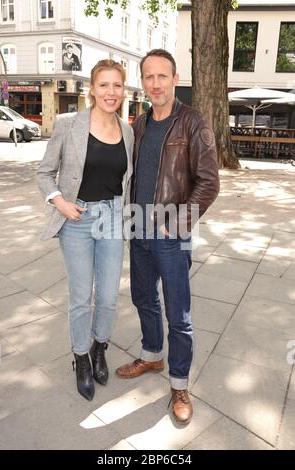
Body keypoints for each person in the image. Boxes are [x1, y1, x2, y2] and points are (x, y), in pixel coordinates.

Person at [116, 49, 220, 425]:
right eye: (149, 76)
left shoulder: (194, 122)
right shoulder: (140, 123)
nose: (155, 83)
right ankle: (151, 355)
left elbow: (209, 183)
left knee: (179, 313)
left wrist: (177, 224)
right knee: (143, 297)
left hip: (170, 234)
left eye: (163, 76)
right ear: (142, 81)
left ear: (175, 79)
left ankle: (179, 384)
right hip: (139, 228)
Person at [37, 60, 134, 401]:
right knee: (81, 297)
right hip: (76, 220)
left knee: (107, 297)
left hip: (111, 219)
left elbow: (126, 180)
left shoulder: (128, 130)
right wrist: (59, 202)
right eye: (104, 85)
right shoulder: (68, 124)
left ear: (124, 90)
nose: (111, 92)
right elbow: (44, 173)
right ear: (91, 89)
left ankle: (99, 347)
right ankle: (80, 357)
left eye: (117, 86)